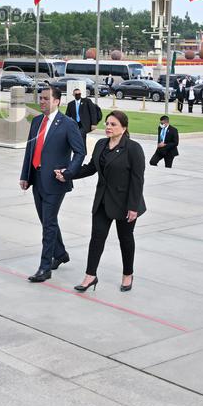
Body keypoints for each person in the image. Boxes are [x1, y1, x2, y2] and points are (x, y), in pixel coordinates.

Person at [67, 110, 146, 293]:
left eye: (113, 125)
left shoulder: (133, 148)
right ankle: (90, 276)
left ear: (124, 128)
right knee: (97, 238)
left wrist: (133, 207)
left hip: (126, 203)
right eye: (107, 124)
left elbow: (137, 180)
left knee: (125, 239)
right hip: (103, 201)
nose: (108, 127)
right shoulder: (101, 144)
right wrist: (68, 174)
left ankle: (128, 274)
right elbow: (90, 168)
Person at [18, 86, 86, 283]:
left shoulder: (67, 124)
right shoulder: (37, 121)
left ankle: (45, 267)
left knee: (48, 224)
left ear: (57, 101)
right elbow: (30, 149)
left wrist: (68, 172)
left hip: (55, 182)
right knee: (47, 221)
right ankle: (61, 253)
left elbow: (80, 152)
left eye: (46, 99)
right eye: (41, 98)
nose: (42, 102)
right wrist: (25, 175)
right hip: (36, 179)